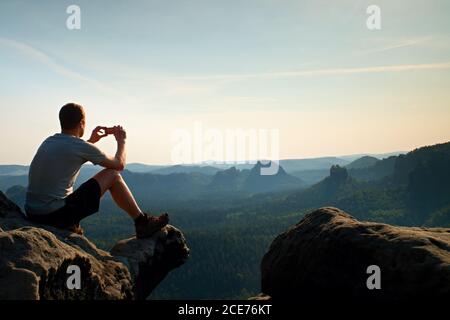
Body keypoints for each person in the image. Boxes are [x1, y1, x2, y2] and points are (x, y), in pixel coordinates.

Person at [24, 102, 169, 238]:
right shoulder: (79, 146)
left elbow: (72, 152)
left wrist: (91, 140)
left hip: (32, 212)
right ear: (81, 123)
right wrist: (121, 141)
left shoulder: (50, 141)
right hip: (53, 215)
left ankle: (70, 224)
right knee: (112, 174)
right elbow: (119, 164)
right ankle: (142, 222)